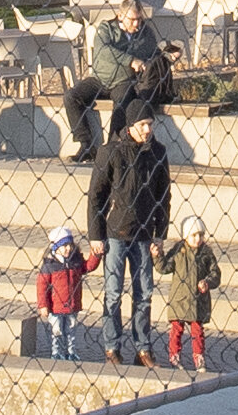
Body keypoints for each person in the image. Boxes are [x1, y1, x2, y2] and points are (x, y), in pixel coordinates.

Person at [88, 111, 173, 366]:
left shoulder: (158, 152)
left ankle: (143, 349)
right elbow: (96, 196)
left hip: (144, 235)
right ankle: (111, 348)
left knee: (144, 294)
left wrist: (161, 234)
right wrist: (95, 235)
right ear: (131, 126)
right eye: (142, 124)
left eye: (150, 123)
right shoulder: (110, 151)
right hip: (115, 234)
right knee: (113, 294)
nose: (147, 129)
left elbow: (164, 196)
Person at [63, 0, 171, 161]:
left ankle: (111, 147)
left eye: (139, 20)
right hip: (99, 79)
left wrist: (169, 55)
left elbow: (154, 53)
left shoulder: (146, 33)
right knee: (71, 96)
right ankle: (85, 144)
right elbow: (104, 51)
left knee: (122, 101)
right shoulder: (106, 28)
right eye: (132, 19)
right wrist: (130, 59)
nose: (136, 24)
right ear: (120, 16)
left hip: (124, 81)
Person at [159, 212, 220, 374]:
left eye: (200, 235)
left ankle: (198, 357)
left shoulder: (206, 253)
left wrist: (207, 282)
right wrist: (157, 256)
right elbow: (164, 268)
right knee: (176, 330)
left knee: (197, 331)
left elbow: (216, 274)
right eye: (194, 235)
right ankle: (174, 356)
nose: (197, 239)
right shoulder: (178, 250)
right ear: (186, 236)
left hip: (198, 300)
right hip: (180, 299)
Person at [34, 224, 99, 363]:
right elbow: (42, 287)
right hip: (55, 306)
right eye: (64, 246)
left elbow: (88, 267)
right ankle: (56, 352)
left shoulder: (75, 261)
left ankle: (71, 351)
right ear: (56, 247)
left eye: (69, 245)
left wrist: (96, 255)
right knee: (57, 330)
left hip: (72, 305)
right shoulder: (49, 265)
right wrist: (43, 305)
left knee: (71, 330)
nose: (68, 248)